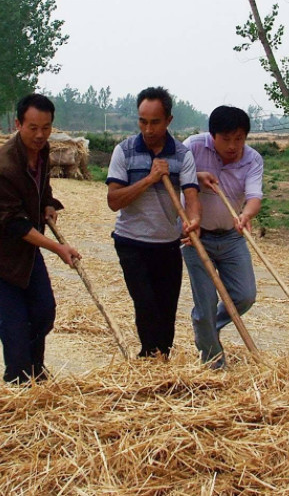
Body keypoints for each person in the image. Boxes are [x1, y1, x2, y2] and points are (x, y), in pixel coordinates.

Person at [0, 94, 81, 384]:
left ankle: (36, 368)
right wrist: (58, 248)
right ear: (18, 124)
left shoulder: (41, 151)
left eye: (46, 127)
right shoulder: (3, 167)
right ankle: (18, 377)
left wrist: (48, 203)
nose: (40, 134)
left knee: (43, 312)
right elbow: (16, 225)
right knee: (14, 323)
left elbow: (42, 185)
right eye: (33, 127)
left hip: (27, 252)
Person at [106, 86, 201, 359]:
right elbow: (114, 200)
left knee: (166, 309)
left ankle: (162, 361)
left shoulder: (182, 155)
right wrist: (148, 179)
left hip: (168, 244)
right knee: (146, 305)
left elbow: (192, 195)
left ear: (169, 120)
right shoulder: (123, 151)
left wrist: (194, 220)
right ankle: (149, 360)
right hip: (131, 243)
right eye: (142, 121)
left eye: (155, 122)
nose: (148, 129)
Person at [182, 106, 263, 369]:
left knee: (244, 295)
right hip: (196, 238)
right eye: (226, 139)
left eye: (239, 138)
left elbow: (254, 197)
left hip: (231, 236)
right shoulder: (192, 147)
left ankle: (206, 330)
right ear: (212, 135)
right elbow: (170, 175)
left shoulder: (252, 159)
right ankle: (214, 365)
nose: (233, 146)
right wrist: (195, 176)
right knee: (205, 303)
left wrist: (246, 215)